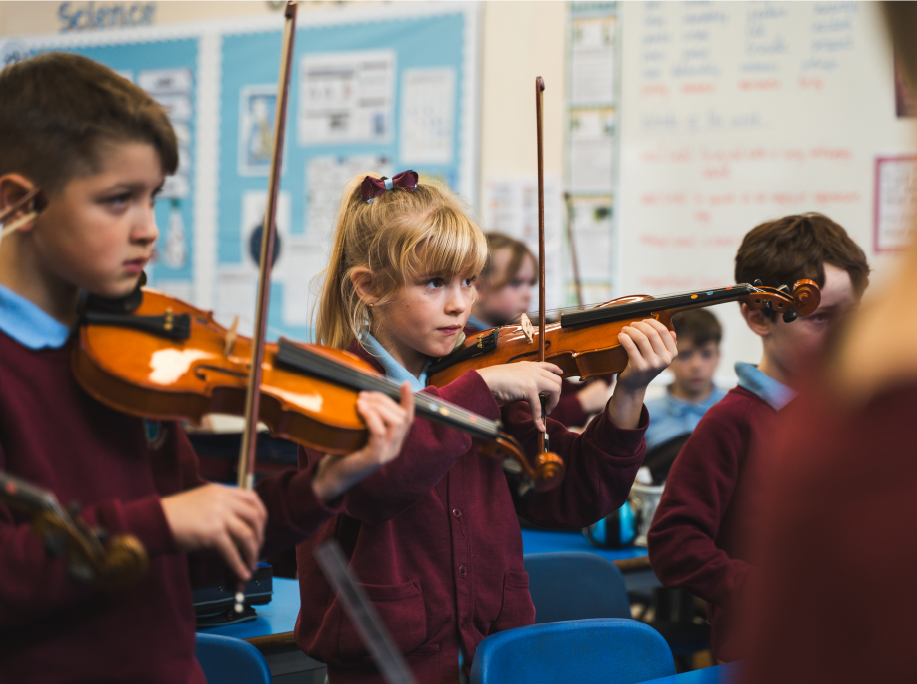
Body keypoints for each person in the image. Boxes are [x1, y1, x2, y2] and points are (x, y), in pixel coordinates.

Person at [0, 52, 414, 683]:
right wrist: (161, 520)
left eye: (154, 198)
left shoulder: (130, 352)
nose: (150, 230)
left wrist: (323, 486)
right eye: (118, 200)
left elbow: (197, 551)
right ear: (19, 203)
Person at [295, 172, 676, 684]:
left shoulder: (475, 371)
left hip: (496, 656)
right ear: (369, 286)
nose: (460, 304)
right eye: (435, 283)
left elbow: (568, 496)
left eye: (469, 281)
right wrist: (483, 389)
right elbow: (377, 487)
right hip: (386, 664)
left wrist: (628, 394)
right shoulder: (334, 385)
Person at [747, 5, 917, 682]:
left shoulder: (844, 425)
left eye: (843, 316)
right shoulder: (850, 432)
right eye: (817, 319)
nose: (830, 338)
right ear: (757, 317)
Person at [647, 213, 870, 662]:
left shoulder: (851, 415)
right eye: (822, 319)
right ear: (758, 316)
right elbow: (673, 541)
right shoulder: (732, 422)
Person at [467, 231, 611, 428]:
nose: (527, 294)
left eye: (530, 283)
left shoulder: (516, 338)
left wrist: (598, 354)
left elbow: (555, 389)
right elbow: (522, 418)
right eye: (516, 283)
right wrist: (582, 403)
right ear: (478, 287)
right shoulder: (470, 347)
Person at [643, 309, 726, 456]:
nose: (696, 365)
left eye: (706, 354)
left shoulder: (736, 410)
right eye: (685, 355)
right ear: (668, 358)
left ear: (718, 357)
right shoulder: (644, 417)